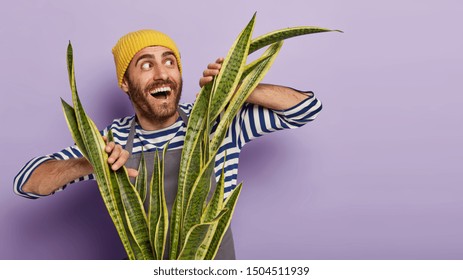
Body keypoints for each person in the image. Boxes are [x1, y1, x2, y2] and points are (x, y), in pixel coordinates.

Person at [13, 29, 322, 259]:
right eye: (146, 65)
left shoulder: (218, 124)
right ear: (125, 82)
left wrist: (238, 87)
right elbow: (27, 183)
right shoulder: (113, 139)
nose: (162, 74)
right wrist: (92, 161)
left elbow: (306, 108)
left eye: (170, 62)